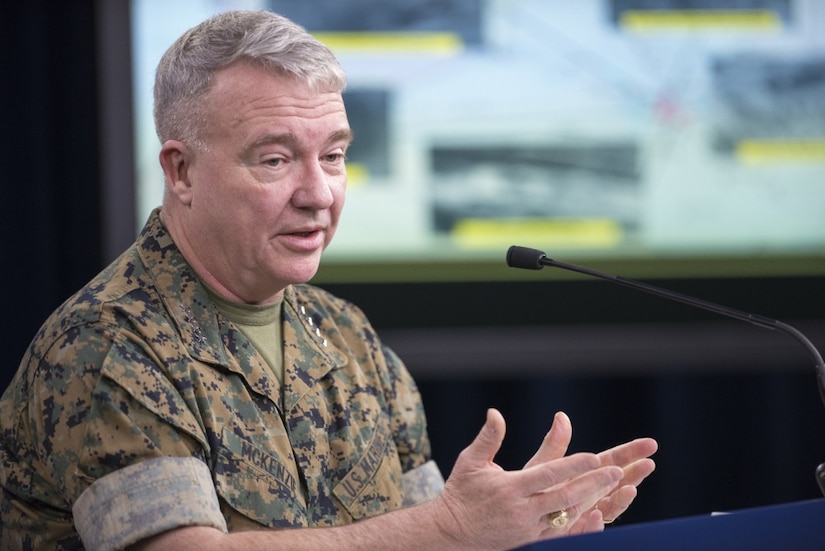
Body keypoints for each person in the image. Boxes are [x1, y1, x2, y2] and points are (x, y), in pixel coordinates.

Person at [0, 9, 657, 550]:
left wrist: (512, 527)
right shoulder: (109, 340)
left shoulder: (346, 335)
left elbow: (424, 539)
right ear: (182, 172)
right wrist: (454, 526)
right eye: (276, 158)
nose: (318, 193)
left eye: (335, 156)